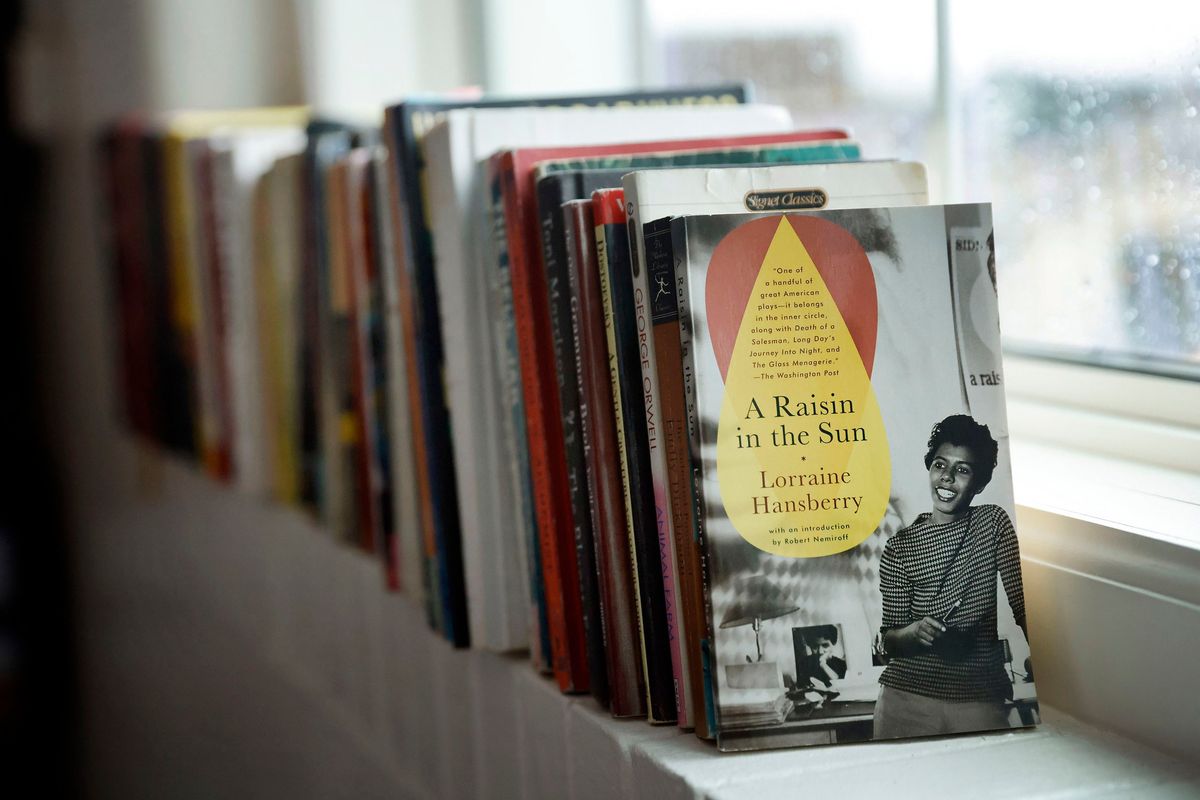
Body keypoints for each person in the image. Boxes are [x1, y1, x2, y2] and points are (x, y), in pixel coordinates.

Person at [873, 414, 1029, 739]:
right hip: (905, 700)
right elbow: (889, 640)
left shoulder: (992, 523)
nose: (946, 479)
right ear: (929, 468)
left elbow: (1026, 606)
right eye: (940, 465)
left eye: (962, 470)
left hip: (979, 696)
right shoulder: (899, 547)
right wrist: (914, 633)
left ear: (980, 483)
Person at [799, 625, 847, 689]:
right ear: (810, 645)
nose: (821, 651)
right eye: (815, 646)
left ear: (833, 644)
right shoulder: (803, 664)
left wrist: (823, 665)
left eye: (825, 645)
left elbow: (842, 689)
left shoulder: (842, 665)